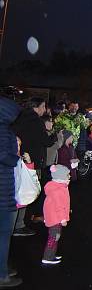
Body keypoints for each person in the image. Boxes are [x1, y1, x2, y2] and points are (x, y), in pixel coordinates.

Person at [11, 97, 55, 235]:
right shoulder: (37, 121)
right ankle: (19, 225)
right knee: (28, 191)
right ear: (37, 107)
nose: (44, 110)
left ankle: (14, 224)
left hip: (17, 159)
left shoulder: (18, 118)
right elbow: (46, 141)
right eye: (43, 107)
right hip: (31, 161)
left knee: (17, 191)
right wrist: (54, 136)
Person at [0, 97, 22, 287]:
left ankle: (3, 267)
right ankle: (2, 275)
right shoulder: (3, 131)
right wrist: (16, 158)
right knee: (3, 233)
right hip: (2, 189)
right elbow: (4, 157)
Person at [41, 164, 70, 265]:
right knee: (54, 238)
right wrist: (63, 218)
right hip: (56, 219)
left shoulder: (55, 187)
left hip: (53, 217)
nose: (69, 177)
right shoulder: (58, 190)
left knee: (55, 237)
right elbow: (59, 206)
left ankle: (51, 254)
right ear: (61, 178)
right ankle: (47, 257)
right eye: (67, 175)